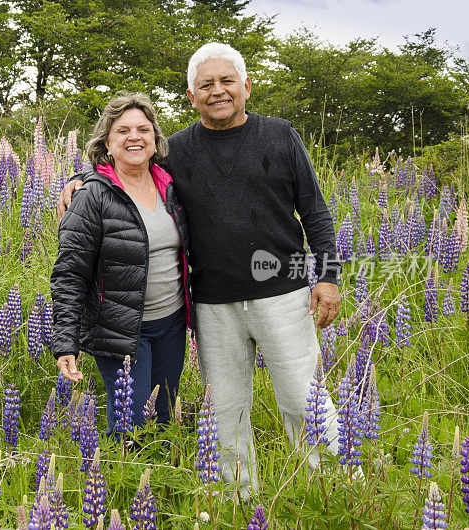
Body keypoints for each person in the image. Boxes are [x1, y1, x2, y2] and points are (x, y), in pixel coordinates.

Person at [57, 43, 343, 498]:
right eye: (205, 85)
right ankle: (237, 500)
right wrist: (80, 179)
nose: (217, 92)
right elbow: (126, 165)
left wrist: (327, 277)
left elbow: (316, 213)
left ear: (246, 86)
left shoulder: (281, 135)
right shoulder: (179, 150)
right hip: (212, 303)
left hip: (283, 294)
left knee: (303, 399)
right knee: (225, 411)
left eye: (226, 81)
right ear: (191, 97)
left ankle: (335, 488)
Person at [51, 93, 190, 434]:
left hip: (171, 324)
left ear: (155, 140)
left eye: (143, 129)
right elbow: (70, 273)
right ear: (107, 144)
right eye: (122, 131)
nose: (134, 137)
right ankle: (127, 485)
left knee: (163, 420)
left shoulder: (169, 184)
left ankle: (157, 485)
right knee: (132, 425)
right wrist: (66, 341)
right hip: (121, 329)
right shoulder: (91, 195)